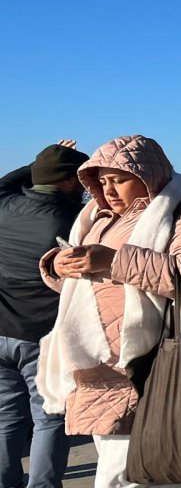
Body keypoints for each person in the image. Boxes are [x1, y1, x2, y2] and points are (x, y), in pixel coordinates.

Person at [36, 135, 181, 488]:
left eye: (119, 179)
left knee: (134, 472)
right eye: (102, 181)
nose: (109, 190)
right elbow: (95, 289)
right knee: (142, 470)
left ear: (148, 176)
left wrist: (111, 259)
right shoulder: (96, 218)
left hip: (150, 363)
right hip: (98, 366)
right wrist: (59, 267)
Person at [0, 141, 87, 488]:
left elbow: (5, 182)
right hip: (42, 338)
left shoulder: (3, 207)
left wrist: (38, 163)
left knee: (7, 417)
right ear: (67, 182)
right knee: (50, 418)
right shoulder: (70, 222)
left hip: (1, 329)